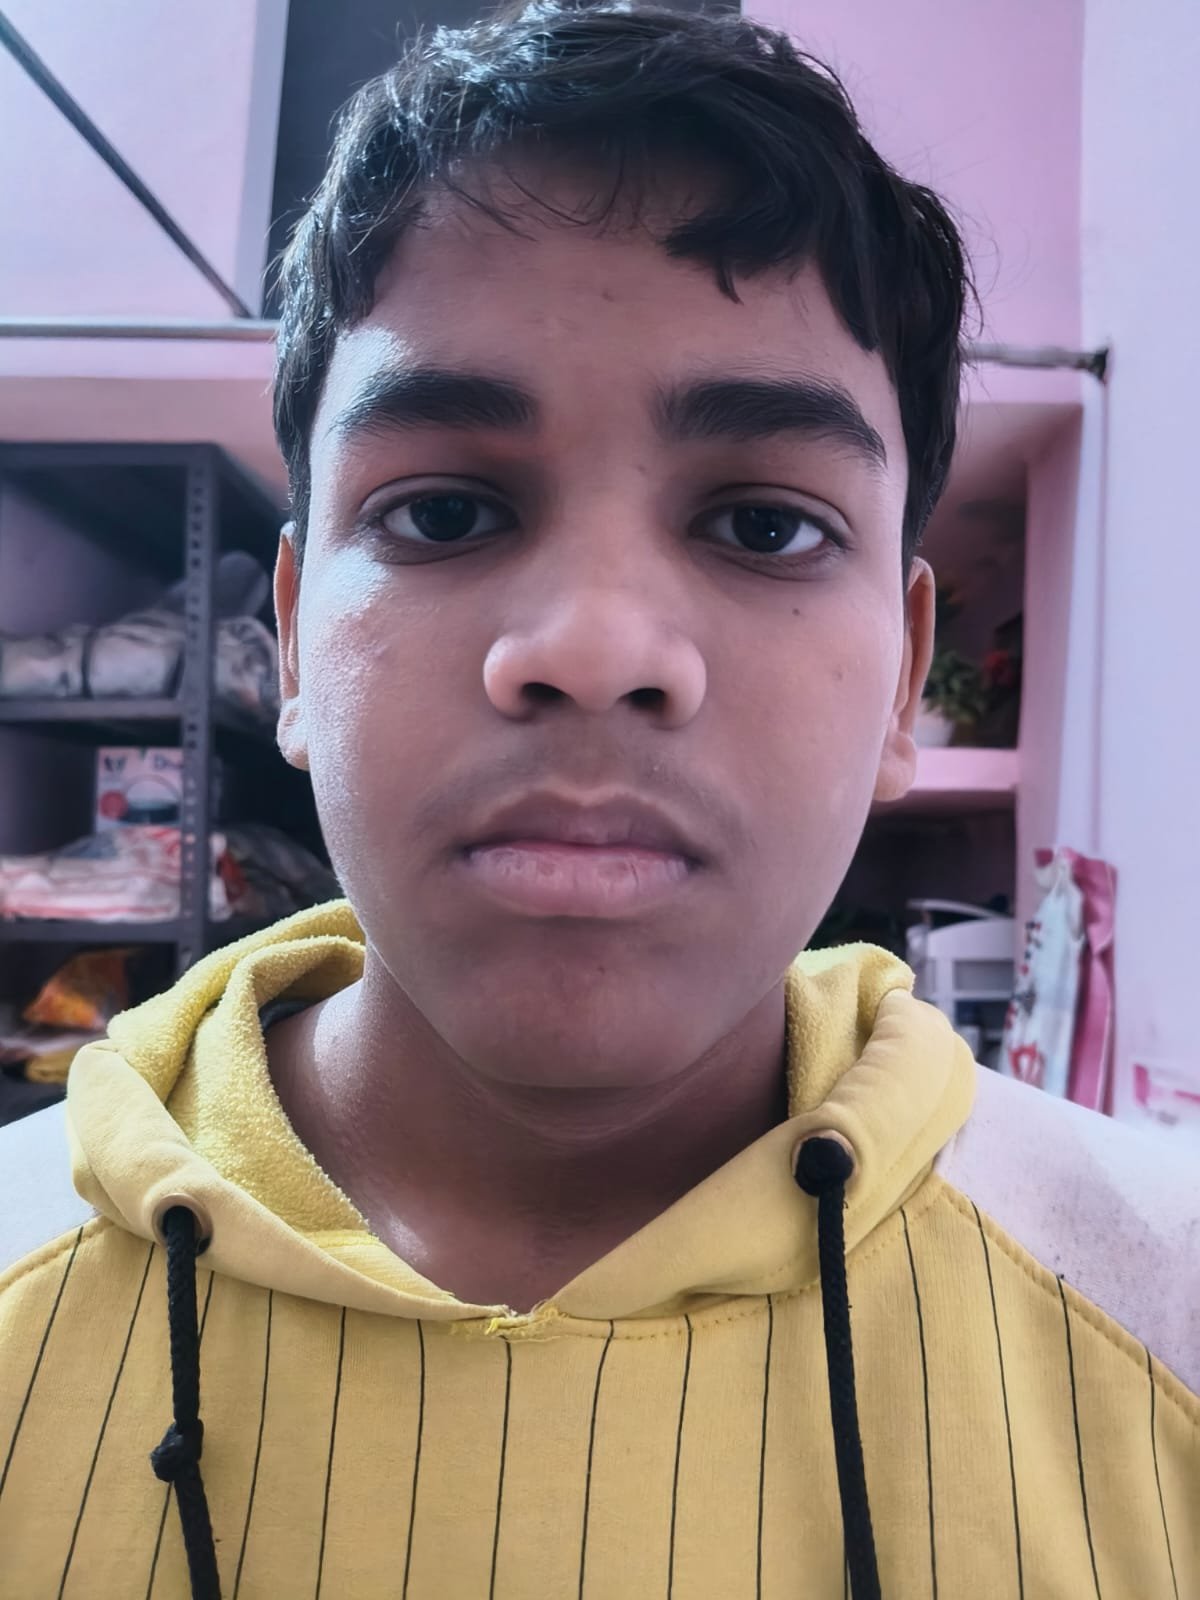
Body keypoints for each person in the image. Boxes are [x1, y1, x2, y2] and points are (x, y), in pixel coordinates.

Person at [1, 4, 1195, 1595]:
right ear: (290, 638)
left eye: (764, 527)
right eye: (443, 512)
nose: (593, 649)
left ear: (907, 674)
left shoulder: (1165, 1314)